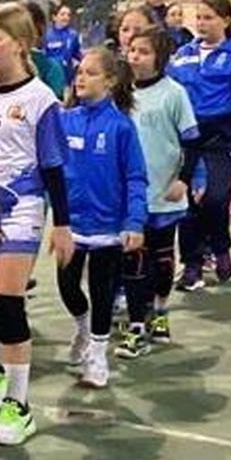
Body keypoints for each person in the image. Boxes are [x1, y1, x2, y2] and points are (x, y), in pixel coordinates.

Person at [0, 2, 71, 447]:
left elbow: (53, 166)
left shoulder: (40, 100)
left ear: (20, 44)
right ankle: (1, 370)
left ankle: (20, 406)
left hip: (23, 206)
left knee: (9, 304)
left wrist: (63, 224)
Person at [56, 46, 147, 389]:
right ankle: (83, 327)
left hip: (109, 228)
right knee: (67, 288)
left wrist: (134, 222)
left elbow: (136, 177)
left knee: (102, 292)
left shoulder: (121, 127)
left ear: (109, 81)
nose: (81, 78)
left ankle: (97, 355)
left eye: (90, 73)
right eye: (79, 71)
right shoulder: (65, 120)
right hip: (71, 226)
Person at [170, 0, 231, 290]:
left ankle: (220, 248)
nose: (202, 23)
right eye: (198, 17)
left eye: (208, 18)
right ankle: (192, 264)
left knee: (214, 198)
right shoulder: (182, 54)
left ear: (225, 20)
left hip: (222, 138)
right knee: (187, 203)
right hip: (187, 138)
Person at [120, 27, 198, 356]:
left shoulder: (174, 93)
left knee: (162, 261)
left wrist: (183, 180)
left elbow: (192, 142)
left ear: (160, 58)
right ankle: (136, 325)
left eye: (144, 52)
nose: (135, 57)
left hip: (165, 194)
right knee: (133, 262)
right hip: (131, 197)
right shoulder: (120, 93)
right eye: (132, 50)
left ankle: (161, 311)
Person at [43, 3, 82, 76]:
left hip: (67, 75)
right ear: (54, 17)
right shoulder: (47, 36)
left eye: (68, 15)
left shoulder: (73, 35)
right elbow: (43, 56)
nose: (66, 17)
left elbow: (77, 55)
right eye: (62, 14)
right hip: (51, 75)